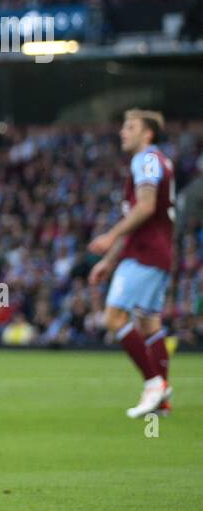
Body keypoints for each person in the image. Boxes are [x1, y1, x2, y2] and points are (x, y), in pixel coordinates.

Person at [89, 109, 176, 418]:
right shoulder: (156, 160)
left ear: (147, 134)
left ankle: (154, 385)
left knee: (114, 317)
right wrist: (109, 262)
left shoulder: (147, 160)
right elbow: (141, 217)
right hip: (157, 252)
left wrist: (111, 235)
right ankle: (162, 399)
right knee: (149, 324)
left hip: (146, 253)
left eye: (130, 127)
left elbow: (146, 207)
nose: (123, 132)